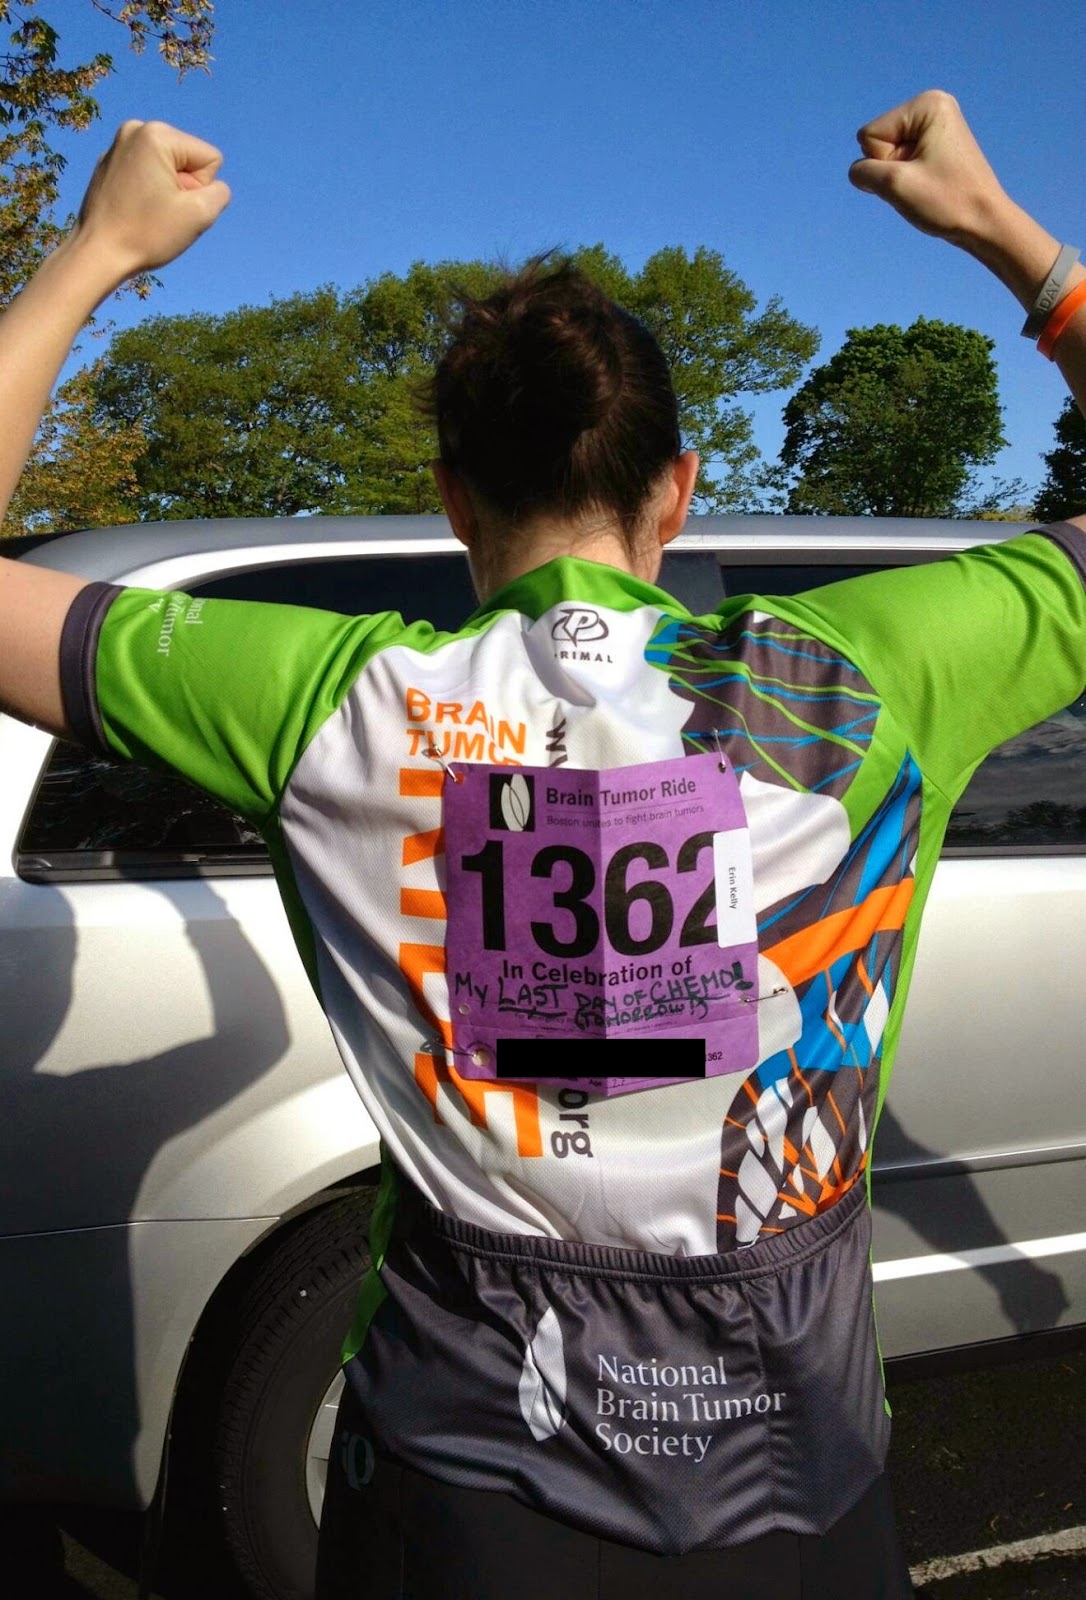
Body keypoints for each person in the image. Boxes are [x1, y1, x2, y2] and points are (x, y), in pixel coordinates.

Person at [0, 92, 1083, 1600]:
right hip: (797, 1479)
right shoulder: (858, 678)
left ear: (453, 501)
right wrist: (1008, 238)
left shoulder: (340, 703)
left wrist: (94, 254)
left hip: (452, 1485)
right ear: (678, 490)